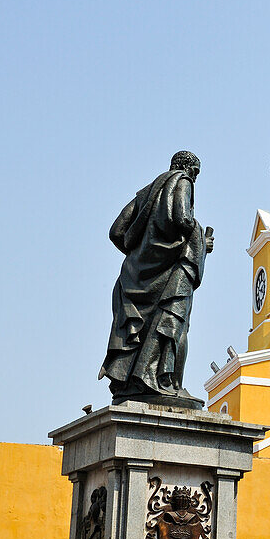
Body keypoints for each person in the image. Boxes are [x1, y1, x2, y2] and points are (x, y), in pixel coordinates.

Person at [99, 151, 213, 405]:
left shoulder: (146, 193)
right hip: (174, 270)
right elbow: (183, 219)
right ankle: (169, 383)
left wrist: (142, 253)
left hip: (136, 275)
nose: (195, 177)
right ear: (189, 168)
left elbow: (116, 231)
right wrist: (201, 243)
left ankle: (135, 381)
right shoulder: (182, 181)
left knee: (142, 329)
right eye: (196, 172)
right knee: (175, 325)